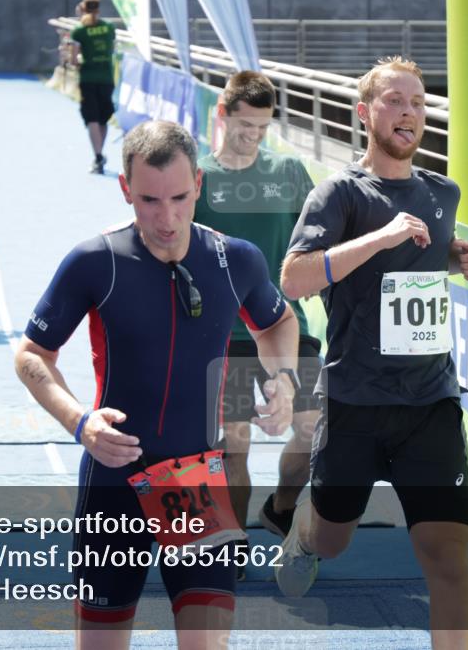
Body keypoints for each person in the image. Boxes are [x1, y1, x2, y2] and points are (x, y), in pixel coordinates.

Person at [14, 120, 300, 650]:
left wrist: (283, 378)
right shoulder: (95, 262)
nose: (166, 218)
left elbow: (279, 322)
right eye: (148, 200)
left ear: (199, 183)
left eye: (179, 198)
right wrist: (80, 422)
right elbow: (32, 355)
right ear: (125, 188)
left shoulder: (235, 259)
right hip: (113, 482)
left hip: (195, 483)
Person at [277, 56, 468, 650]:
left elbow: (427, 255)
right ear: (365, 112)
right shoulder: (339, 194)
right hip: (356, 401)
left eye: (419, 103)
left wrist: (463, 260)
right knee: (333, 540)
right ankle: (303, 531)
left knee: (449, 559)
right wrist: (383, 235)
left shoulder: (442, 191)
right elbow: (294, 280)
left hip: (430, 400)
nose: (409, 113)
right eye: (395, 101)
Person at [192, 71, 323, 577]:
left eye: (263, 127)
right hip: (224, 335)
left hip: (286, 325)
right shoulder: (198, 178)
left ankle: (281, 507)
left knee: (313, 431)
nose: (253, 136)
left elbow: (315, 245)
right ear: (222, 115)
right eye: (245, 125)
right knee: (234, 444)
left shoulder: (290, 173)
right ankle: (235, 540)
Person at [67, 0, 115, 174]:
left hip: (88, 78)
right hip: (107, 78)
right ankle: (99, 154)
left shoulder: (79, 30)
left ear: (83, 8)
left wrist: (78, 60)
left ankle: (98, 156)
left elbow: (73, 60)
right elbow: (112, 48)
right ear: (98, 8)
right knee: (103, 118)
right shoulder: (109, 27)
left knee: (92, 118)